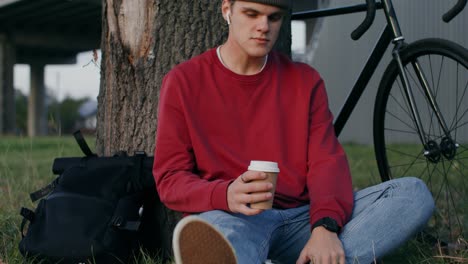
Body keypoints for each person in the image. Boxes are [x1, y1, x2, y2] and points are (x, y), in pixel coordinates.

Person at [153, 0, 435, 263]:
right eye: (251, 14)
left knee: (412, 194)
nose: (264, 26)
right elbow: (169, 178)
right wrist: (225, 194)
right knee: (218, 235)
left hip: (303, 219)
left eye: (273, 17)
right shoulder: (183, 82)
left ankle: (314, 253)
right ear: (227, 9)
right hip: (234, 217)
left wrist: (325, 226)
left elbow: (327, 162)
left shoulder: (304, 80)